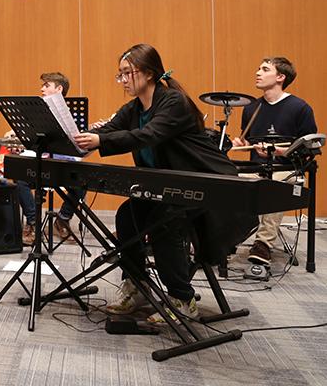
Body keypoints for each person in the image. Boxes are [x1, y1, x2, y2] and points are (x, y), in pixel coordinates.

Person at [74, 43, 238, 324]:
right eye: (120, 75)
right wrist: (76, 137)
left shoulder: (173, 102)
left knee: (165, 219)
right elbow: (109, 131)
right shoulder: (134, 108)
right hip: (167, 187)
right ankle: (137, 285)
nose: (123, 80)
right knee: (127, 215)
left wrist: (100, 140)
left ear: (149, 73)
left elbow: (147, 135)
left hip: (207, 183)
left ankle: (183, 298)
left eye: (128, 73)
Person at [230, 57, 317, 265]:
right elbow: (248, 140)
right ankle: (223, 239)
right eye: (258, 68)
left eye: (265, 69)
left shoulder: (300, 108)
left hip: (286, 169)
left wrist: (278, 151)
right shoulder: (251, 108)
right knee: (225, 180)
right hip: (256, 168)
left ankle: (263, 244)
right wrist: (240, 143)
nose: (258, 72)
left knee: (273, 185)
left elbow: (309, 148)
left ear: (280, 77)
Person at [11, 72, 87, 245]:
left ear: (59, 89)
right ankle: (33, 222)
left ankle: (62, 218)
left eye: (47, 85)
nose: (42, 88)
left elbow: (78, 143)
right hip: (40, 162)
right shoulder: (35, 114)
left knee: (82, 181)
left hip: (62, 164)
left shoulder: (75, 115)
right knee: (19, 178)